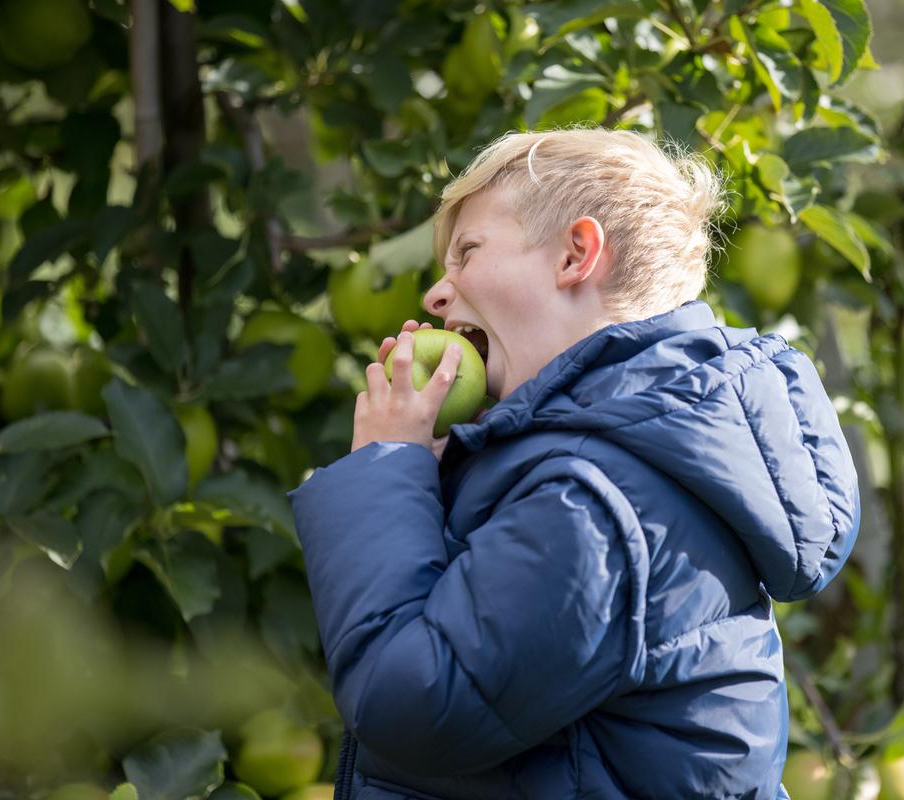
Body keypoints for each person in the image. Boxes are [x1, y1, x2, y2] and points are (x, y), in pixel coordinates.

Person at [286, 128, 861, 800]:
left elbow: (415, 704)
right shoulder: (624, 461)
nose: (436, 296)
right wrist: (429, 480)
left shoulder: (598, 502)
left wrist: (385, 470)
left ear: (575, 255)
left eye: (468, 252)